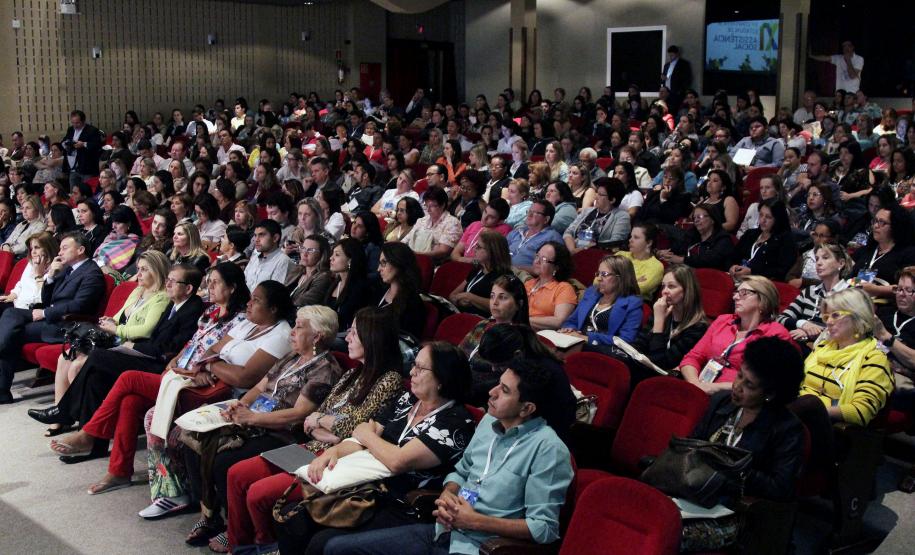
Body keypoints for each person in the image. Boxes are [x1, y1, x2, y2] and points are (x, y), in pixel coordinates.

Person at [322, 358, 573, 555]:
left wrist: (476, 521)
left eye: (505, 391)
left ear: (527, 408)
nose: (492, 392)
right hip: (444, 530)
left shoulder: (548, 450)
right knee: (336, 548)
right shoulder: (488, 422)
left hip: (483, 547)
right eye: (498, 383)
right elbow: (462, 470)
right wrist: (449, 493)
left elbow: (544, 529)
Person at [221, 307, 404, 551]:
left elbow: (355, 429)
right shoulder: (352, 373)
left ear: (373, 338)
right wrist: (322, 423)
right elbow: (311, 422)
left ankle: (265, 546)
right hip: (312, 446)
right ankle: (239, 545)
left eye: (354, 333)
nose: (347, 337)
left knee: (258, 493)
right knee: (237, 473)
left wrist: (323, 422)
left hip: (335, 458)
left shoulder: (389, 380)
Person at [274, 342, 476, 555]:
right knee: (291, 516)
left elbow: (398, 461)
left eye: (420, 368)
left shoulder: (455, 422)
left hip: (400, 501)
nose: (412, 372)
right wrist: (333, 452)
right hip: (362, 485)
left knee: (324, 542)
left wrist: (367, 436)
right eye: (414, 365)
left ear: (442, 378)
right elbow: (361, 433)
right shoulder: (408, 400)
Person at [181, 306, 345, 551]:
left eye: (299, 326)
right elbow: (260, 386)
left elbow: (299, 414)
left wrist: (252, 418)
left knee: (224, 461)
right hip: (254, 420)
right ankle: (211, 516)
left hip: (283, 433)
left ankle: (236, 530)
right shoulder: (292, 356)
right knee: (191, 442)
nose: (292, 331)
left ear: (317, 336)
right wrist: (239, 405)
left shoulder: (325, 369)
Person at [28, 263, 204, 436]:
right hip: (147, 352)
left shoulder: (192, 309)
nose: (168, 284)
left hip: (160, 364)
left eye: (174, 281)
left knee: (96, 357)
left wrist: (132, 346)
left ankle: (63, 411)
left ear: (188, 288)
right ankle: (91, 437)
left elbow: (170, 348)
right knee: (94, 376)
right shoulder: (173, 305)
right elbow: (156, 339)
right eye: (168, 279)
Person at [682, 337, 805, 552]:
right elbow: (692, 443)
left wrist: (731, 468)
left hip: (737, 513)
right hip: (696, 494)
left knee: (671, 532)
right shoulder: (721, 402)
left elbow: (781, 488)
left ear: (770, 394)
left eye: (749, 385)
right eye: (739, 375)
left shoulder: (786, 429)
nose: (737, 387)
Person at [0, 232, 106, 403]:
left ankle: (2, 391)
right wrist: (49, 278)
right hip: (53, 317)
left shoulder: (91, 273)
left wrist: (45, 313)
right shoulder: (67, 270)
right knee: (10, 313)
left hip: (67, 324)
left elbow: (80, 306)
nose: (60, 252)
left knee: (12, 332)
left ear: (80, 250)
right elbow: (47, 299)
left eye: (65, 248)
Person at [679, 275, 793, 395]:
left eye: (744, 293)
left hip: (737, 398)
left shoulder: (776, 335)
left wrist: (717, 388)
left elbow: (765, 382)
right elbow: (693, 357)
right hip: (699, 387)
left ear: (763, 299)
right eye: (736, 292)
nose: (735, 297)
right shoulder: (723, 321)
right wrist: (695, 385)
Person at [799, 288, 892, 427]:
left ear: (858, 316)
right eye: (826, 316)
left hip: (826, 426)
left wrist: (811, 411)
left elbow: (861, 410)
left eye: (836, 315)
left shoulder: (874, 357)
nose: (828, 322)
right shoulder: (823, 347)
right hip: (798, 414)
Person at [630, 265, 708, 378]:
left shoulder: (698, 327)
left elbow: (662, 363)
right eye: (663, 286)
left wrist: (659, 323)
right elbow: (639, 344)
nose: (664, 292)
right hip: (643, 370)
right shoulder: (660, 312)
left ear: (687, 290)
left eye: (671, 286)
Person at [558, 254, 643, 349]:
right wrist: (570, 328)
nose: (599, 278)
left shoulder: (633, 303)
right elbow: (572, 320)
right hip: (575, 344)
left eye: (604, 274)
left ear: (620, 278)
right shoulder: (591, 293)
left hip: (603, 352)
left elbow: (625, 340)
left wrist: (587, 337)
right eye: (598, 274)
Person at [778, 243, 852, 342]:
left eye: (825, 258)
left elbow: (852, 328)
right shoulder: (809, 291)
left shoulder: (851, 294)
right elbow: (780, 318)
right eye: (817, 259)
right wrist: (803, 324)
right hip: (801, 343)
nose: (818, 263)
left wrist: (812, 333)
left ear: (841, 263)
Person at [851, 204, 915, 300]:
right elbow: (850, 277)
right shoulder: (866, 250)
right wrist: (857, 285)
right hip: (858, 300)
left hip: (888, 307)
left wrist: (877, 289)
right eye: (875, 221)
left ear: (896, 226)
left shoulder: (908, 254)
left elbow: (908, 289)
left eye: (882, 222)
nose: (876, 226)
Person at [729, 201, 798, 282]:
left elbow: (781, 271)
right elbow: (732, 256)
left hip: (763, 284)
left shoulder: (786, 241)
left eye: (768, 217)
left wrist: (752, 272)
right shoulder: (750, 234)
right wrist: (732, 266)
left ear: (778, 219)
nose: (762, 220)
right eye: (761, 215)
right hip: (737, 279)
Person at [449, 231, 513, 317]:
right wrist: (458, 301)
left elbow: (500, 306)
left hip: (482, 321)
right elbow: (453, 295)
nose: (474, 249)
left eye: (478, 247)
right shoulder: (477, 269)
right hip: (461, 314)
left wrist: (470, 297)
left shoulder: (504, 276)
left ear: (492, 251)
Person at [658, 203, 734, 271]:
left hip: (712, 278)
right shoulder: (692, 235)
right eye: (694, 218)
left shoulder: (723, 239)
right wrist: (664, 252)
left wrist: (682, 260)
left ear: (712, 219)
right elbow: (677, 248)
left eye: (700, 217)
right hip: (688, 274)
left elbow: (711, 260)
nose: (696, 220)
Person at [562, 177, 631, 253]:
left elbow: (615, 243)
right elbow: (568, 232)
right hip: (572, 250)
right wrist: (573, 250)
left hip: (597, 255)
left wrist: (582, 250)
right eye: (597, 193)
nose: (595, 197)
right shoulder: (587, 211)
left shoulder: (622, 217)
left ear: (612, 200)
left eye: (600, 195)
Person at [0, 232, 57, 318]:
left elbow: (41, 299)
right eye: (31, 248)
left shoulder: (56, 268)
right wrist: (13, 295)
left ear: (48, 248)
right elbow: (21, 283)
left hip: (30, 310)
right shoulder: (31, 263)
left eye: (37, 247)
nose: (33, 252)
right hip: (16, 303)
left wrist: (39, 275)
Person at [377, 242, 427, 339]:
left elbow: (405, 341)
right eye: (380, 263)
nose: (378, 269)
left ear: (398, 262)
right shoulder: (377, 290)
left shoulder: (413, 304)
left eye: (384, 263)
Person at [524, 241, 577, 331]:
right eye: (537, 256)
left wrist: (523, 320)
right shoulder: (528, 283)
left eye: (544, 259)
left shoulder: (563, 288)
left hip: (542, 337)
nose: (537, 261)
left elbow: (559, 321)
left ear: (556, 267)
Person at [325, 238, 372, 331]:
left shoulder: (360, 288)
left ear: (350, 260)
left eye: (337, 255)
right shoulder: (335, 283)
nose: (331, 258)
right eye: (332, 254)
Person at [403, 187, 462, 262]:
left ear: (443, 205)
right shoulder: (421, 221)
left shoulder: (452, 223)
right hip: (413, 259)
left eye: (432, 206)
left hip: (435, 264)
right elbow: (406, 240)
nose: (428, 210)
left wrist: (416, 254)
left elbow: (443, 251)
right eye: (426, 205)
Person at [505, 199, 563, 273]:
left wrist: (513, 268)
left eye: (535, 213)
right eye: (529, 211)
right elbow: (500, 251)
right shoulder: (517, 232)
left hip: (525, 278)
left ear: (546, 219)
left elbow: (547, 270)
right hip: (502, 271)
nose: (529, 215)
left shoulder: (552, 238)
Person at [450, 198, 512, 263]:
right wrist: (463, 260)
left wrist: (471, 262)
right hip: (461, 265)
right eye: (485, 212)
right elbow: (455, 253)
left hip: (480, 270)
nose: (484, 218)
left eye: (491, 217)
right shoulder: (474, 225)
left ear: (500, 221)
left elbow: (491, 261)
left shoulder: (504, 231)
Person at [244, 219, 298, 292]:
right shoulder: (254, 258)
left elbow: (273, 294)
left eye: (261, 235)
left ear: (275, 238)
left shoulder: (283, 261)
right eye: (255, 235)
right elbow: (244, 282)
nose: (256, 240)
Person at [618, 222, 664, 300]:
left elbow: (636, 289)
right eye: (631, 236)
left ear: (649, 242)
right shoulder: (620, 255)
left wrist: (615, 279)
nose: (630, 240)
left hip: (635, 304)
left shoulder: (656, 266)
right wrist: (634, 281)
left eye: (636, 237)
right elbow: (598, 280)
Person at [290, 234, 334, 307]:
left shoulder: (324, 277)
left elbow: (303, 303)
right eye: (303, 248)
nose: (305, 253)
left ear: (322, 254)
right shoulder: (298, 270)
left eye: (311, 250)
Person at [62, 109, 103, 187]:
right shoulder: (70, 129)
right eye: (73, 123)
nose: (75, 125)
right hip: (73, 167)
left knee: (88, 190)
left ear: (83, 121)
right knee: (73, 191)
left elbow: (97, 145)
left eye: (77, 123)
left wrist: (83, 144)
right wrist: (65, 144)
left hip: (87, 167)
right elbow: (65, 140)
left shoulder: (92, 130)